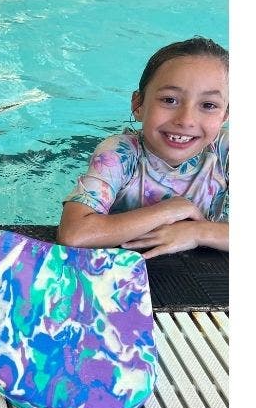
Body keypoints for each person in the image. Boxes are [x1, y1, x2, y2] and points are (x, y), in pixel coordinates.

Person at [57, 36, 228, 259]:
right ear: (138, 105)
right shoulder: (120, 154)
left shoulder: (225, 151)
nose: (186, 120)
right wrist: (169, 210)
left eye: (208, 105)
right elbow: (74, 234)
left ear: (225, 115)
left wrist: (198, 232)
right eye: (169, 100)